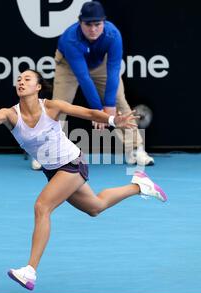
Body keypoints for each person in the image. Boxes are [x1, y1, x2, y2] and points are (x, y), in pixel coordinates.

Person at [0, 69, 167, 291]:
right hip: (53, 171)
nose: (21, 82)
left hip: (72, 164)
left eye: (27, 79)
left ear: (38, 87)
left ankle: (30, 271)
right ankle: (139, 185)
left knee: (42, 207)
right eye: (19, 79)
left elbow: (86, 113)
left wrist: (114, 120)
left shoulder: (51, 106)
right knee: (95, 207)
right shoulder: (10, 114)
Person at [30, 1, 154, 171]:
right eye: (88, 24)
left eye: (97, 24)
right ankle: (46, 151)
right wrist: (98, 112)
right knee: (59, 104)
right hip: (69, 66)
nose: (93, 29)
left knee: (118, 100)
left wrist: (109, 106)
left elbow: (114, 71)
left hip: (100, 65)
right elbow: (83, 77)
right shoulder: (70, 39)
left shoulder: (113, 35)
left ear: (104, 22)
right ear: (80, 22)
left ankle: (134, 149)